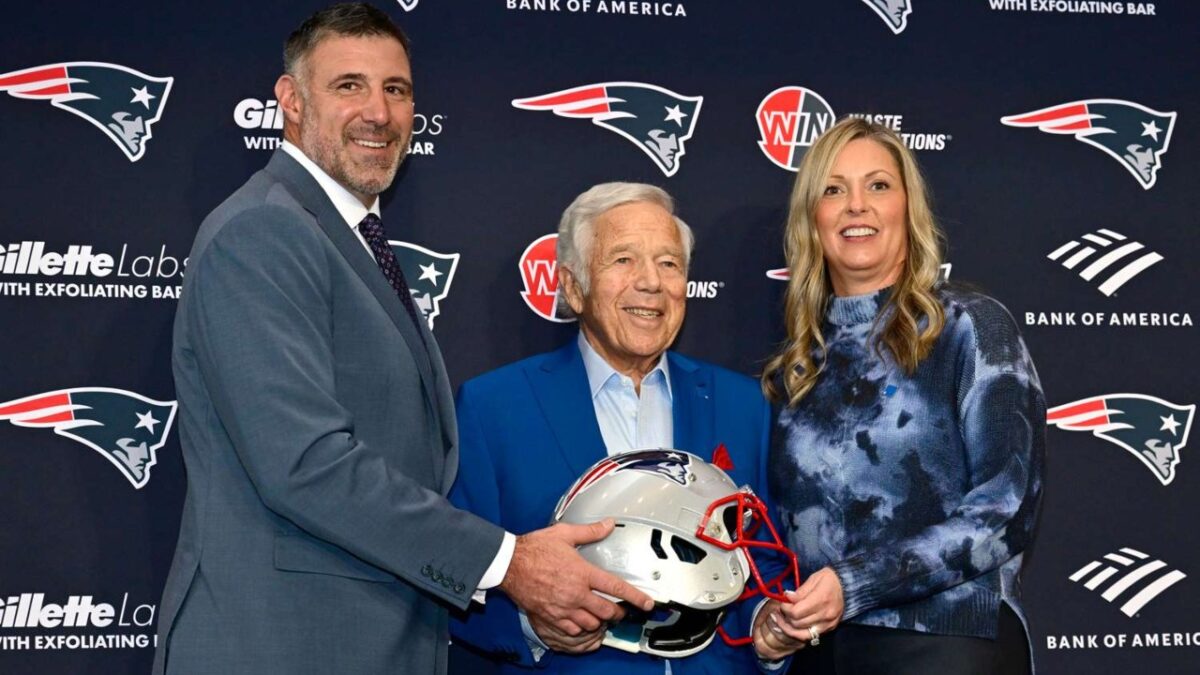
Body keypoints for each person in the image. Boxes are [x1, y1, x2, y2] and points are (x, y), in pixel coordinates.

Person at [152, 5, 650, 674]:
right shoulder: (264, 232)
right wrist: (507, 562)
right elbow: (304, 462)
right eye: (349, 85)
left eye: (396, 89)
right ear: (291, 101)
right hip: (280, 644)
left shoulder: (349, 237)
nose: (379, 113)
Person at [754, 117, 1045, 674]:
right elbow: (783, 543)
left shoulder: (969, 327)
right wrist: (772, 624)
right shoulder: (794, 369)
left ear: (908, 209)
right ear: (811, 220)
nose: (856, 205)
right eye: (834, 189)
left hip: (948, 643)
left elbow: (1007, 510)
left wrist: (854, 585)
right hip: (823, 656)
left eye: (878, 185)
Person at [448, 182, 774, 673]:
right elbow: (455, 574)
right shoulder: (493, 407)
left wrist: (769, 626)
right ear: (573, 287)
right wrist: (534, 627)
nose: (650, 282)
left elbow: (759, 563)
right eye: (623, 260)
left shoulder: (743, 404)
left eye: (669, 263)